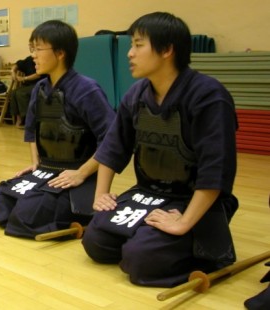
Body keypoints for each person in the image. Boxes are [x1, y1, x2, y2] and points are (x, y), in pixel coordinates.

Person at [81, 12, 239, 288]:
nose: (130, 53)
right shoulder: (136, 94)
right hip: (149, 194)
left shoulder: (209, 96)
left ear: (167, 50)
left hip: (193, 199)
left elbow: (217, 169)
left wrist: (184, 222)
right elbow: (113, 147)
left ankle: (202, 247)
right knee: (95, 241)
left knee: (141, 260)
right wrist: (101, 194)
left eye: (138, 45)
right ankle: (148, 239)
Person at [0, 20, 115, 238]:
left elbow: (112, 140)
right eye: (32, 49)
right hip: (48, 169)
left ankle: (81, 211)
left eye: (38, 49)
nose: (33, 56)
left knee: (26, 215)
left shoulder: (86, 89)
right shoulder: (40, 88)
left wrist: (81, 173)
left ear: (60, 53)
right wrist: (37, 164)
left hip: (77, 172)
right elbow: (32, 132)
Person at [9, 55, 43, 127]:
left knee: (21, 93)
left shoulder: (42, 59)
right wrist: (13, 71)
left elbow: (39, 74)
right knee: (13, 92)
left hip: (39, 84)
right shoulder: (29, 59)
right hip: (28, 85)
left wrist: (24, 78)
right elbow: (18, 64)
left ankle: (27, 119)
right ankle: (19, 118)